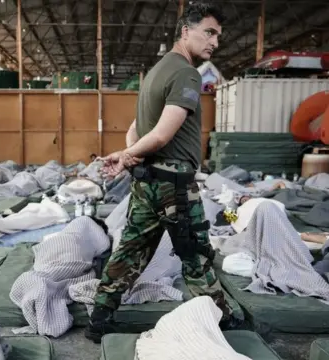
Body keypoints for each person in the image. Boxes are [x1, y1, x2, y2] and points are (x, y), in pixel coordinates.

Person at [85, 3, 237, 343]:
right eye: (208, 32)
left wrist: (126, 155)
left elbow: (136, 129)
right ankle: (223, 323)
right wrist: (126, 156)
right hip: (174, 186)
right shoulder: (187, 73)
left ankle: (98, 320)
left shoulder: (156, 72)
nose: (215, 42)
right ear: (186, 31)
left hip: (147, 181)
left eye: (218, 36)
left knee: (130, 251)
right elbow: (161, 134)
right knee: (195, 254)